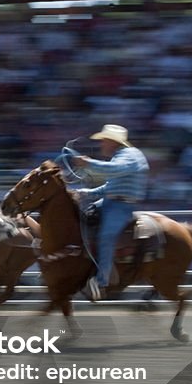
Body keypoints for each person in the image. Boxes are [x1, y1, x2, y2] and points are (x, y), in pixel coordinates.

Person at [70, 124, 149, 301]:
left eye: (104, 141)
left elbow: (113, 171)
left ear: (113, 142)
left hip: (122, 206)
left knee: (106, 236)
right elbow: (110, 186)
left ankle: (101, 281)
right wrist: (86, 193)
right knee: (78, 219)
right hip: (110, 202)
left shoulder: (130, 156)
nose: (101, 145)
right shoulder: (120, 157)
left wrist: (88, 163)